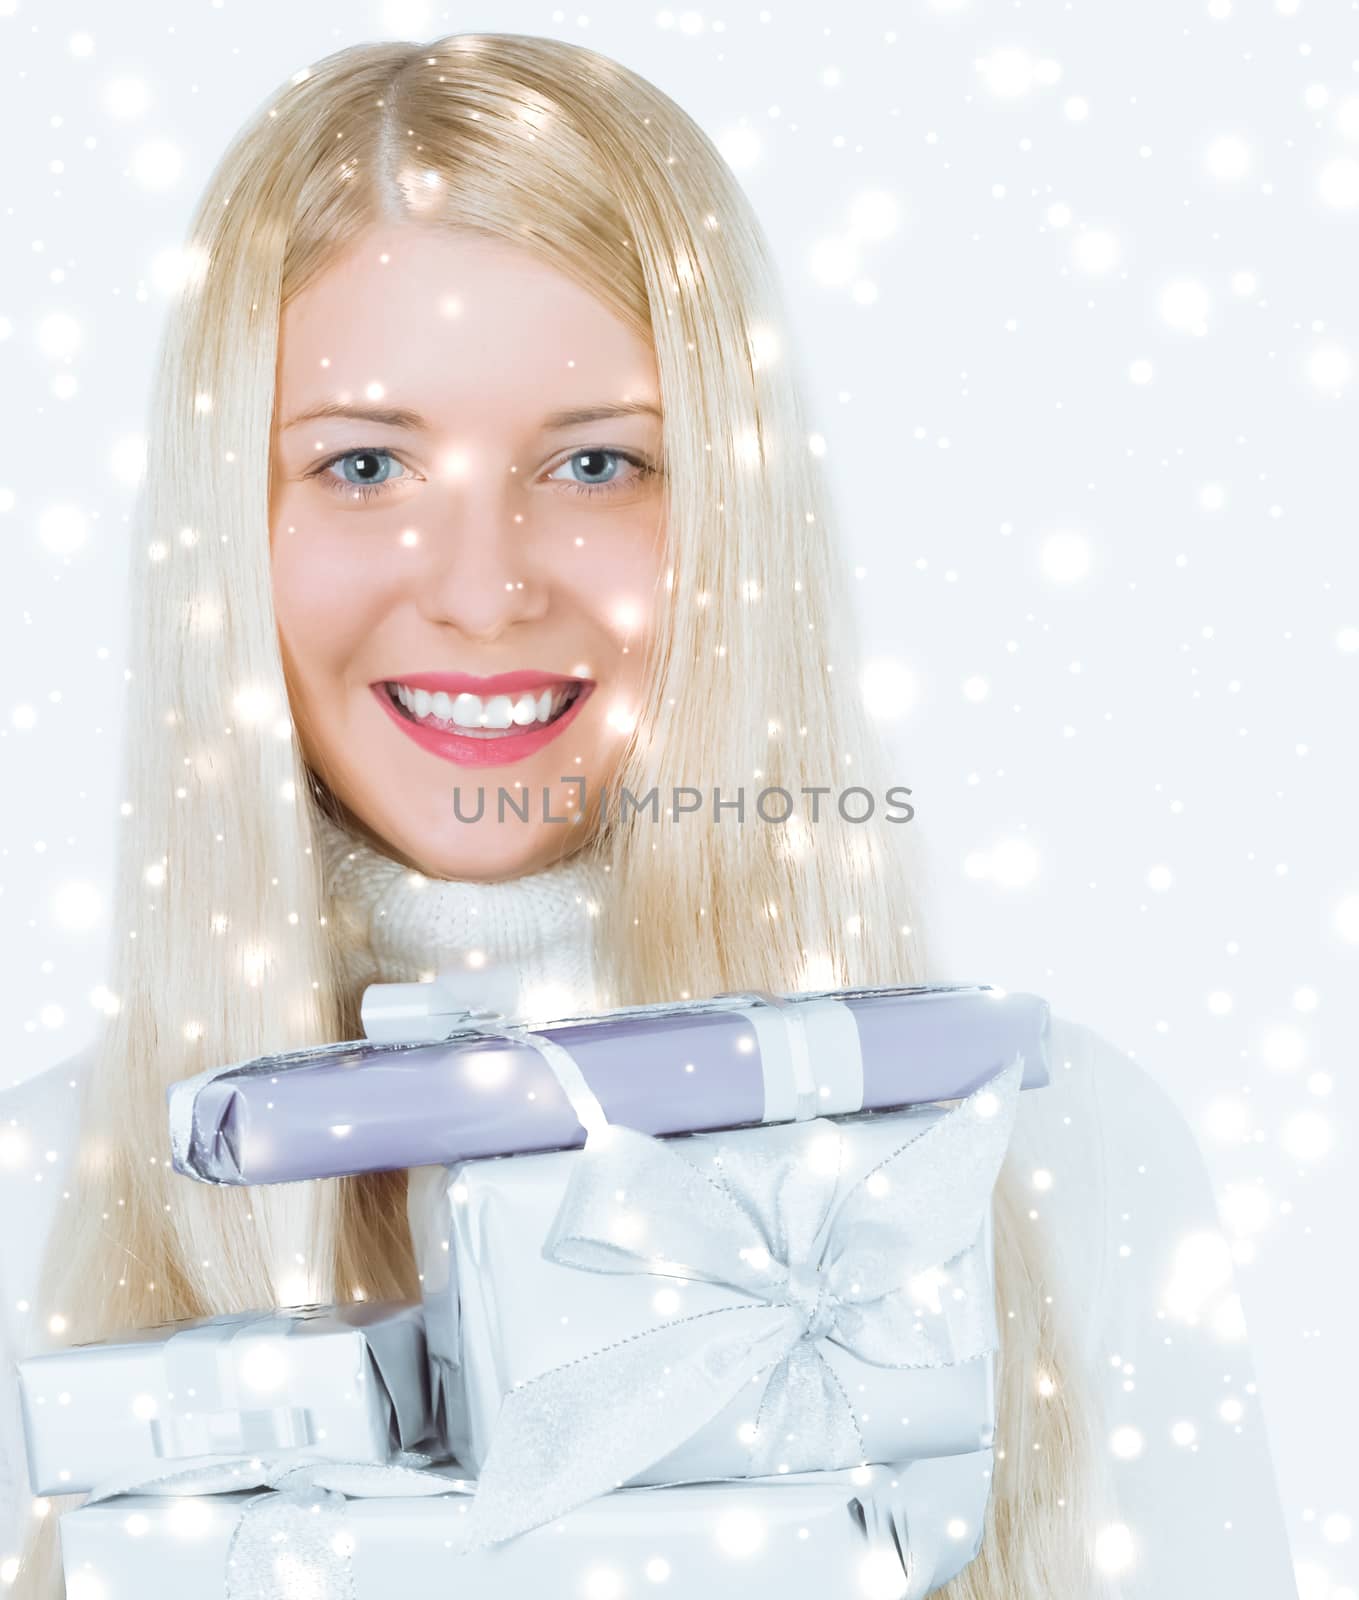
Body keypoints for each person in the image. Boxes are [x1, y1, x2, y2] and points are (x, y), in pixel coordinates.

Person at [0, 32, 1298, 1600]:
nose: (484, 587)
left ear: (733, 517)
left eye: (600, 462)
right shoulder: (34, 1203)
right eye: (362, 464)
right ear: (230, 528)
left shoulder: (1050, 1156)